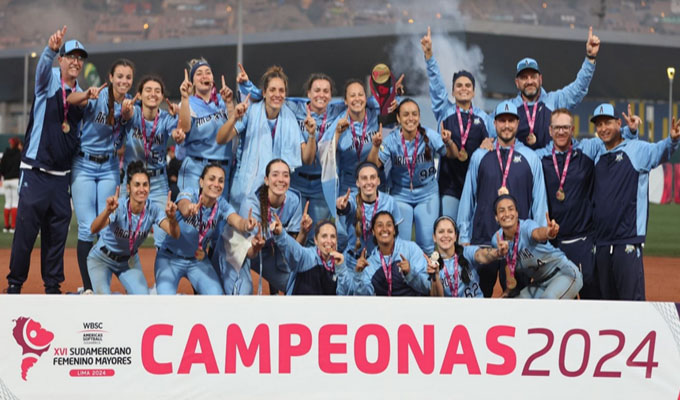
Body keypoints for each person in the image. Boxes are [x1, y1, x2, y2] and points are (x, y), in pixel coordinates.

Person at [6, 26, 86, 294]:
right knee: (25, 235)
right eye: (69, 56)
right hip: (36, 171)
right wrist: (49, 50)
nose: (75, 61)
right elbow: (41, 70)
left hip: (60, 178)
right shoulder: (48, 79)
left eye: (79, 57)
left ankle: (52, 287)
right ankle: (15, 284)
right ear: (61, 60)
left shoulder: (84, 94)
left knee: (57, 236)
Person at [534, 107, 640, 299]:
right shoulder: (539, 158)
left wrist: (630, 132)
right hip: (554, 243)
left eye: (565, 127)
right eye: (557, 128)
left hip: (584, 241)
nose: (561, 132)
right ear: (550, 130)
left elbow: (611, 138)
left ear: (572, 129)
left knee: (592, 297)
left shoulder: (588, 149)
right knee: (557, 299)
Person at [457, 100, 548, 297]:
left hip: (520, 245)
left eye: (511, 121)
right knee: (478, 299)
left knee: (519, 301)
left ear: (518, 124)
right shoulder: (479, 155)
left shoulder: (531, 158)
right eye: (501, 121)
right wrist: (464, 238)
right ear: (495, 124)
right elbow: (468, 198)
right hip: (483, 241)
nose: (506, 125)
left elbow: (539, 202)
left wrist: (540, 242)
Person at [591, 104, 680, 300]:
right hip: (602, 245)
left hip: (627, 243)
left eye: (607, 122)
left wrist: (672, 140)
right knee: (606, 306)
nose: (603, 128)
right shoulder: (597, 155)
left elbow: (660, 152)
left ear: (618, 123)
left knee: (633, 306)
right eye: (599, 124)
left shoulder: (636, 150)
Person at [66, 58, 135, 293]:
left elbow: (126, 129)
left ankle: (100, 286)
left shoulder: (129, 105)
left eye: (128, 77)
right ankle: (88, 290)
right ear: (111, 77)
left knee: (105, 228)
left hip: (109, 166)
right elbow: (70, 99)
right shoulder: (98, 96)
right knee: (86, 228)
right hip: (84, 164)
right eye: (120, 76)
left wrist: (127, 116)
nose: (124, 80)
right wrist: (86, 94)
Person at [420, 26, 494, 219]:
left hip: (476, 184)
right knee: (449, 231)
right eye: (458, 86)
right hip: (449, 184)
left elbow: (499, 142)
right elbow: (436, 85)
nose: (463, 89)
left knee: (470, 236)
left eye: (468, 85)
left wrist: (491, 144)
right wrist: (429, 57)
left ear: (473, 91)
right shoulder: (445, 112)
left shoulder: (484, 119)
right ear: (452, 91)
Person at [367, 98, 457, 254]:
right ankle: (403, 278)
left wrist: (448, 142)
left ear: (419, 117)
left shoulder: (430, 136)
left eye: (414, 114)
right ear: (398, 118)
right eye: (406, 114)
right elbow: (374, 166)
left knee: (427, 245)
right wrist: (375, 147)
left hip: (427, 194)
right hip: (400, 194)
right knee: (401, 245)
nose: (410, 118)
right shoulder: (392, 140)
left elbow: (453, 155)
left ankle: (426, 278)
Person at [222, 65, 316, 209]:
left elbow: (307, 158)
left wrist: (311, 135)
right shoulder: (251, 112)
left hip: (276, 189)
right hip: (247, 186)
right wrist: (234, 117)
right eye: (272, 90)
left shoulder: (290, 118)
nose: (277, 94)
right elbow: (223, 138)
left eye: (281, 90)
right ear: (264, 93)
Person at [155, 163, 256, 295]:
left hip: (197, 261)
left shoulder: (221, 204)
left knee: (215, 297)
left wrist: (246, 224)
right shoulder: (190, 193)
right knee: (166, 301)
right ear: (201, 182)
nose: (216, 184)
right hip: (170, 258)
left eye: (221, 181)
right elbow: (183, 205)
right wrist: (189, 208)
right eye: (211, 179)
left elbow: (236, 220)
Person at [87, 161, 179, 295]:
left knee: (142, 300)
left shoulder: (152, 210)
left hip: (129, 261)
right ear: (128, 188)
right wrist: (107, 211)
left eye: (145, 185)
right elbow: (93, 229)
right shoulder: (119, 207)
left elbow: (174, 233)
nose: (141, 189)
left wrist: (172, 219)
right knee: (104, 302)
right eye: (137, 185)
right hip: (102, 258)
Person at [224, 159, 311, 295]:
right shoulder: (251, 204)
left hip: (267, 253)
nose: (281, 179)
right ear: (266, 180)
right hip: (241, 250)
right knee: (243, 293)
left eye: (285, 175)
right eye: (275, 174)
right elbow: (248, 249)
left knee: (299, 287)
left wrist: (303, 232)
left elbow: (293, 249)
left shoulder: (295, 200)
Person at [507, 27, 601, 149]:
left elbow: (579, 88)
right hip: (520, 167)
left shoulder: (554, 101)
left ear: (540, 79)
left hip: (552, 166)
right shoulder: (509, 108)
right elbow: (487, 125)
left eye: (533, 77)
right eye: (524, 77)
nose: (529, 81)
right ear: (517, 83)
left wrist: (590, 58)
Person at [121, 76, 181, 248]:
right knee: (121, 232)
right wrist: (126, 110)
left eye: (157, 91)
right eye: (148, 90)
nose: (152, 94)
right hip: (131, 180)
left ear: (162, 96)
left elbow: (176, 132)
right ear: (139, 95)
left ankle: (160, 274)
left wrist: (178, 133)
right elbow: (127, 115)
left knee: (163, 238)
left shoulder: (166, 118)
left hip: (156, 182)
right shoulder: (134, 113)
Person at [486, 195, 582, 299]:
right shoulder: (497, 240)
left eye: (511, 209)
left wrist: (549, 232)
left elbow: (538, 233)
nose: (507, 214)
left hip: (564, 273)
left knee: (547, 301)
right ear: (496, 217)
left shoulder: (527, 227)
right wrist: (509, 290)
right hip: (539, 283)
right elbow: (508, 263)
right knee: (517, 305)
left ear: (517, 213)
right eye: (501, 210)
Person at [176, 59, 235, 199]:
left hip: (222, 169)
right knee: (192, 216)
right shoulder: (187, 103)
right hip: (197, 168)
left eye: (208, 73)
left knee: (218, 217)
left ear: (213, 78)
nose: (204, 76)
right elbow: (184, 128)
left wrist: (230, 104)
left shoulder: (223, 100)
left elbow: (235, 128)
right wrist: (184, 98)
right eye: (199, 74)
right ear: (193, 82)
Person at [336, 161, 402, 272]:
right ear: (357, 182)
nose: (369, 182)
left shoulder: (389, 201)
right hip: (353, 261)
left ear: (378, 181)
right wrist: (342, 207)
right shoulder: (351, 199)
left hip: (378, 262)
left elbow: (396, 235)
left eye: (372, 177)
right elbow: (346, 208)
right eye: (364, 178)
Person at [354, 211, 430, 296]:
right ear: (373, 232)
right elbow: (364, 299)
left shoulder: (411, 249)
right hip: (382, 308)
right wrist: (358, 275)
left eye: (389, 225)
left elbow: (428, 287)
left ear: (394, 230)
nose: (385, 229)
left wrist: (409, 273)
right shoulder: (369, 264)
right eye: (379, 225)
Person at [271, 218, 353, 295]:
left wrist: (341, 269)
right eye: (324, 236)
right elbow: (294, 249)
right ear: (316, 240)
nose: (329, 241)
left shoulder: (339, 262)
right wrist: (281, 234)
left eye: (332, 236)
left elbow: (344, 296)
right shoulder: (307, 256)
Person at [425, 216, 483, 298]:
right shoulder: (432, 265)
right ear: (434, 237)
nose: (445, 235)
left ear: (455, 236)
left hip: (477, 307)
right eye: (441, 232)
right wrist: (436, 276)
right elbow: (437, 300)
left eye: (450, 231)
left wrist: (497, 253)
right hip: (451, 309)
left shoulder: (466, 252)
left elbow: (483, 255)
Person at [1, 138, 21, 233]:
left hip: (6, 180)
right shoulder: (19, 154)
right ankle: (13, 226)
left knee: (7, 202)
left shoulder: (5, 154)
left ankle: (6, 226)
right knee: (15, 203)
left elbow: (1, 167)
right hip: (15, 180)